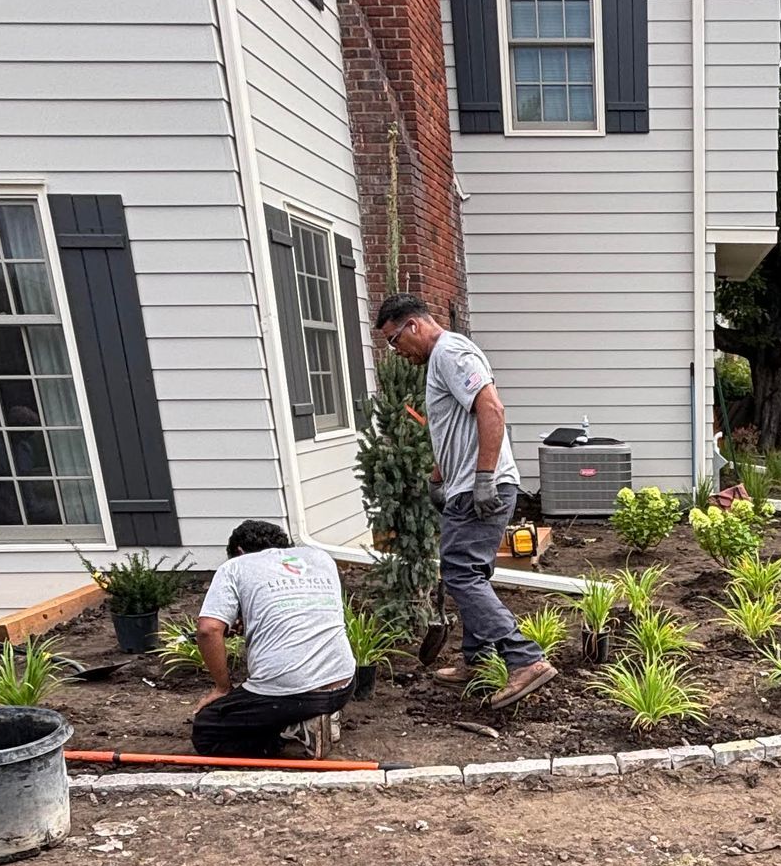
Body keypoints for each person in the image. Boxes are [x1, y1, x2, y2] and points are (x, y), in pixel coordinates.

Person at [373, 295, 555, 711]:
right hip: (464, 486)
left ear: (414, 326)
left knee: (460, 573)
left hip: (479, 488)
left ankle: (524, 658)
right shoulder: (440, 360)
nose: (396, 351)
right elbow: (452, 426)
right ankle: (478, 659)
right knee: (470, 572)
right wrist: (439, 477)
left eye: (394, 340)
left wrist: (484, 478)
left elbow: (492, 408)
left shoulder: (451, 353)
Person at [191, 520, 357, 757]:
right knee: (283, 699)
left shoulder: (236, 566)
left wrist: (222, 688)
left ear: (238, 551)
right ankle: (323, 716)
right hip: (343, 682)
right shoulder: (319, 558)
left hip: (292, 692)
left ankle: (293, 732)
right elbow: (300, 613)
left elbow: (208, 630)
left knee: (208, 728)